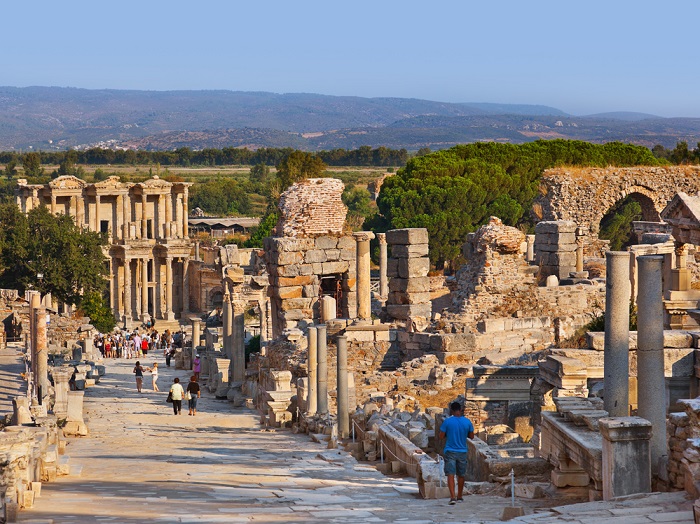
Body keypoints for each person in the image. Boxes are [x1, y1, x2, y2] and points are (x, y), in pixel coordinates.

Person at [439, 402, 475, 505]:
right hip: (463, 451)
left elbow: (441, 436)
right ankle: (460, 496)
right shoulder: (467, 422)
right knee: (461, 474)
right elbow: (472, 436)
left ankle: (452, 497)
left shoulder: (447, 422)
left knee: (450, 474)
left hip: (450, 450)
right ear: (460, 409)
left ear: (451, 410)